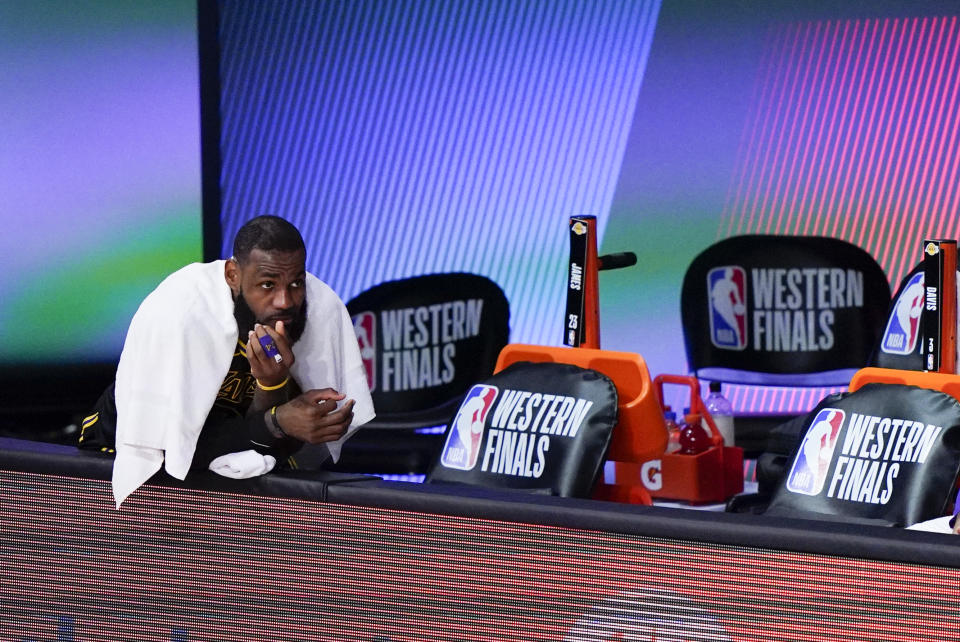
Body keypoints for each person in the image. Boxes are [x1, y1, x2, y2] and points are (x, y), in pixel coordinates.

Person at [79, 215, 374, 506]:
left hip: (224, 453)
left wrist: (274, 388)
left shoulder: (318, 310)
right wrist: (277, 421)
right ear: (233, 275)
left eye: (296, 283)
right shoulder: (182, 313)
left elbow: (265, 449)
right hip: (118, 454)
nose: (285, 301)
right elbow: (174, 450)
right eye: (268, 285)